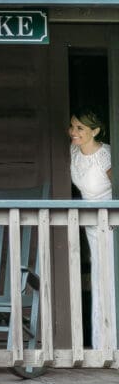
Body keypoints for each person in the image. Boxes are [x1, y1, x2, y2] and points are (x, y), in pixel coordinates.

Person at [69, 108, 116, 349]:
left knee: (111, 277)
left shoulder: (106, 155)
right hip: (91, 224)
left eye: (80, 128)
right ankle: (102, 344)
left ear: (95, 131)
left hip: (111, 224)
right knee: (99, 277)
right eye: (72, 127)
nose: (73, 132)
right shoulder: (73, 152)